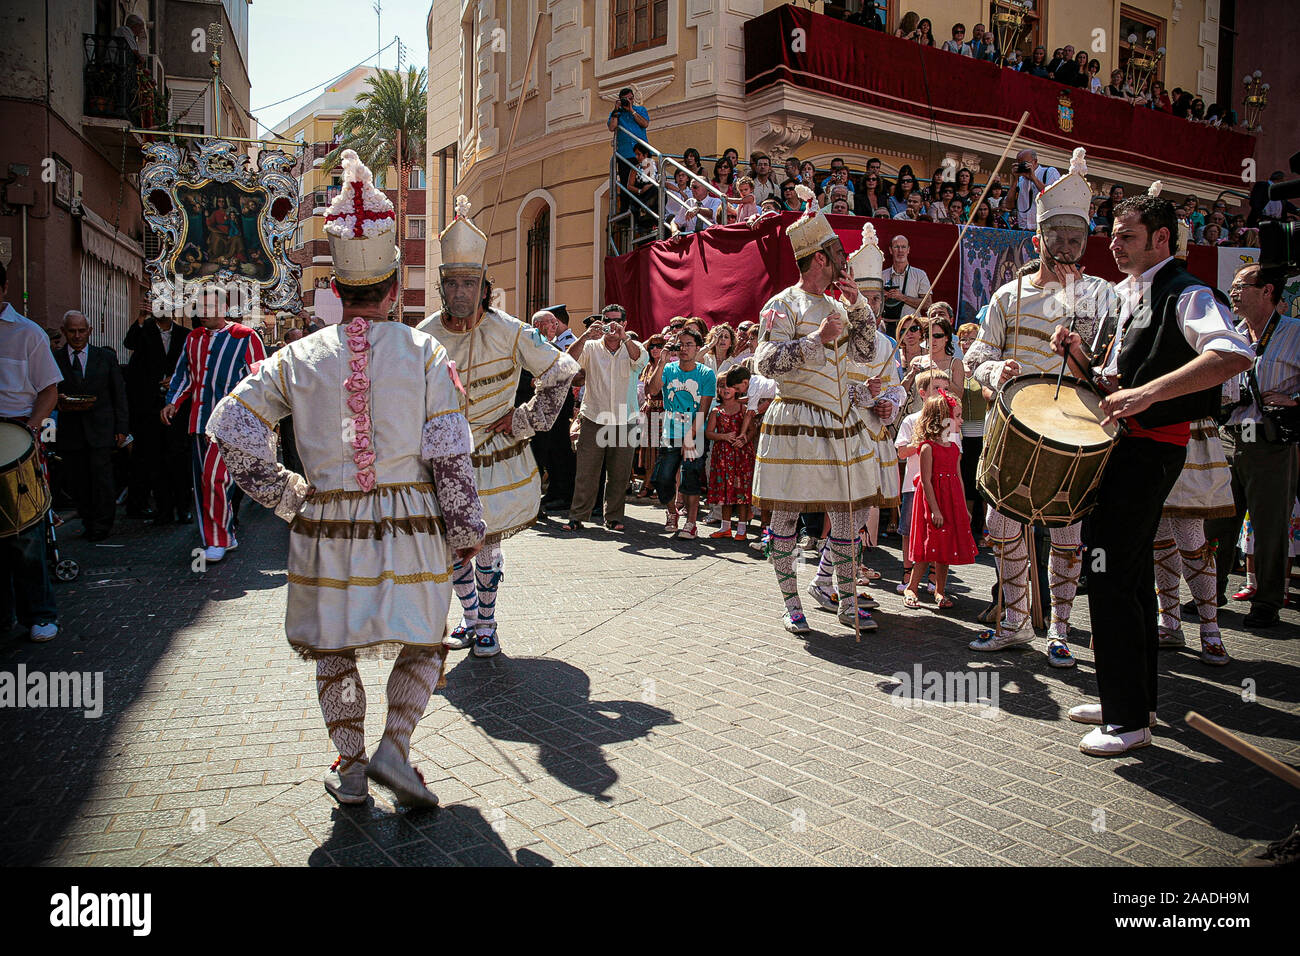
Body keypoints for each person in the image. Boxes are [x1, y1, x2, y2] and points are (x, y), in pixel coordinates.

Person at [207, 149, 486, 808]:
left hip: (326, 527)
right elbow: (449, 453)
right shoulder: (425, 352)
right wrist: (467, 529)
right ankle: (396, 749)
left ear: (334, 289)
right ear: (393, 286)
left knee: (335, 649)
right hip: (413, 528)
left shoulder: (295, 357)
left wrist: (288, 497)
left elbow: (228, 429)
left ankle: (353, 766)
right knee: (423, 641)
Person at [1051, 184, 1253, 755]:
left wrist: (1146, 395)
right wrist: (1081, 361)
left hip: (1151, 449)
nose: (1114, 245)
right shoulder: (1127, 293)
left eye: (1128, 236)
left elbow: (1233, 354)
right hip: (1124, 446)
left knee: (1111, 570)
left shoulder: (1187, 293)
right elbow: (1118, 382)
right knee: (1127, 574)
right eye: (1112, 235)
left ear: (1162, 238)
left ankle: (1129, 719)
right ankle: (1128, 699)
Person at [964, 148, 1116, 668]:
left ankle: (1060, 630)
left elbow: (1106, 372)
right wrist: (991, 371)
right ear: (1038, 240)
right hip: (1012, 427)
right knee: (1002, 526)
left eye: (1077, 240)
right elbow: (977, 351)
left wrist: (1080, 354)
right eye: (1058, 239)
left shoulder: (1099, 298)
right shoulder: (1008, 294)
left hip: (1073, 431)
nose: (1069, 249)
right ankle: (1011, 621)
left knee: (1067, 534)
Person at [417, 196, 579, 658]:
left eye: (471, 282)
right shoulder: (425, 333)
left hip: (496, 455)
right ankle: (470, 620)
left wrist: (526, 419)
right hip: (446, 463)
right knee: (452, 546)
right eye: (453, 283)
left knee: (485, 544)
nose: (462, 292)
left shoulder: (510, 330)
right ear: (442, 287)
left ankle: (485, 622)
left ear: (483, 286)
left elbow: (562, 370)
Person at [752, 186, 882, 634]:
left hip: (842, 423)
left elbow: (865, 353)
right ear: (820, 259)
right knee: (786, 517)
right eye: (837, 254)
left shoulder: (842, 306)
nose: (844, 262)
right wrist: (815, 341)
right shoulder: (781, 304)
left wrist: (859, 306)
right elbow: (763, 363)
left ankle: (846, 602)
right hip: (796, 421)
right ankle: (791, 604)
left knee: (849, 514)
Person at [1204, 264, 1300, 629]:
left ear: (1268, 291)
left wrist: (1294, 399)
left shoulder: (1294, 332)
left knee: (1270, 524)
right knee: (1217, 521)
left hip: (1271, 442)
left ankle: (1267, 602)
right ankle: (1210, 594)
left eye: (1242, 285)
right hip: (1229, 437)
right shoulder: (1232, 335)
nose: (1235, 291)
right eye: (1233, 286)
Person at [162, 286, 266, 563]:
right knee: (203, 483)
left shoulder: (245, 336)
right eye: (199, 308)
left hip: (231, 423)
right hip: (198, 421)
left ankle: (219, 539)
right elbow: (185, 374)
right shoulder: (193, 338)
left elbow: (261, 378)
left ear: (222, 309)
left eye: (208, 308)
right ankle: (221, 535)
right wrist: (174, 401)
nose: (202, 314)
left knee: (215, 478)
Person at [0, 262, 61, 642]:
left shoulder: (28, 334)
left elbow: (49, 390)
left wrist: (30, 430)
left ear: (4, 287)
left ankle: (39, 614)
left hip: (16, 435)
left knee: (25, 534)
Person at [846, 222, 905, 576]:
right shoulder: (840, 336)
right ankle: (838, 569)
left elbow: (895, 386)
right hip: (843, 432)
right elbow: (830, 386)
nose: (871, 306)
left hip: (873, 433)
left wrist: (889, 405)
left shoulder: (885, 343)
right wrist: (862, 396)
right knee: (845, 508)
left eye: (877, 300)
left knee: (864, 505)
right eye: (865, 300)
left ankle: (851, 565)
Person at [562, 306, 647, 532]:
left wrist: (624, 338)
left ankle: (614, 517)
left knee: (619, 473)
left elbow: (640, 360)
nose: (612, 325)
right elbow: (568, 360)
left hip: (624, 418)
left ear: (625, 323)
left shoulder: (633, 346)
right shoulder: (590, 346)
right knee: (586, 471)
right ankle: (577, 516)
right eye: (607, 320)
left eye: (616, 321)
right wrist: (585, 335)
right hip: (593, 416)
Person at [53, 310, 129, 541]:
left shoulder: (104, 357)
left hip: (101, 429)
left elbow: (119, 393)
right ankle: (87, 519)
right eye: (72, 331)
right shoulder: (56, 359)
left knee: (102, 480)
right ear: (64, 332)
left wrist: (122, 428)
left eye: (81, 331)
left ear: (90, 331)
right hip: (71, 430)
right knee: (78, 480)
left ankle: (102, 524)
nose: (77, 336)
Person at [902, 391, 978, 608]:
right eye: (958, 416)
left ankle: (940, 590)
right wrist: (934, 510)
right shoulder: (928, 447)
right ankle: (912, 587)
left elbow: (959, 479)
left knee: (945, 548)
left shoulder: (954, 448)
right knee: (929, 547)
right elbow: (926, 481)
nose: (961, 421)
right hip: (933, 502)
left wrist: (963, 507)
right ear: (943, 419)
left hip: (951, 501)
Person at [124, 305, 191, 523]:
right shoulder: (145, 331)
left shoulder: (184, 335)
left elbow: (193, 367)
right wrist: (141, 319)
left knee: (179, 459)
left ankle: (183, 508)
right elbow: (129, 343)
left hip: (177, 408)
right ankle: (163, 509)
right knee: (155, 460)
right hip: (150, 409)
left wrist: (176, 379)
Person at [647, 328, 715, 539]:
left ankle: (691, 523)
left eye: (689, 344)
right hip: (670, 431)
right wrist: (661, 362)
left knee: (691, 478)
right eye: (681, 344)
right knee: (663, 478)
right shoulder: (668, 369)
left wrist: (690, 437)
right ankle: (671, 513)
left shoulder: (706, 373)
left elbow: (703, 409)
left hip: (695, 432)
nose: (684, 349)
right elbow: (652, 389)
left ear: (697, 347)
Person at [895, 369, 951, 591]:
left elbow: (955, 453)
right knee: (910, 530)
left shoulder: (949, 422)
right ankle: (908, 572)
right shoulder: (911, 420)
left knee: (938, 531)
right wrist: (922, 441)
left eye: (946, 389)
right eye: (937, 389)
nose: (943, 394)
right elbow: (901, 453)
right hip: (914, 485)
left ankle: (934, 576)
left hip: (941, 486)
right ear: (923, 393)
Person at [704, 370, 755, 539]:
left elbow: (753, 429)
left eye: (728, 386)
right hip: (723, 457)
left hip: (741, 456)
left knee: (741, 492)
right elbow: (709, 433)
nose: (725, 389)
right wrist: (723, 436)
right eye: (721, 385)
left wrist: (744, 440)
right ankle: (725, 527)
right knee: (725, 493)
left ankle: (741, 530)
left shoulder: (744, 408)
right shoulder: (716, 411)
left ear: (736, 388)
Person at [880, 234, 931, 330]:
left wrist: (902, 298)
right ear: (891, 250)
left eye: (903, 247)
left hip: (911, 329)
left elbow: (927, 304)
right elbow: (873, 303)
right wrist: (884, 298)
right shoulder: (881, 276)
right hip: (886, 328)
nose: (900, 251)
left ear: (908, 250)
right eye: (896, 247)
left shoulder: (920, 275)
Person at [1005, 149, 1061, 232]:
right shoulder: (1020, 180)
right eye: (1019, 164)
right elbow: (1008, 205)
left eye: (1025, 163)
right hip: (1023, 229)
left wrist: (1033, 178)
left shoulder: (1049, 172)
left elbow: (1052, 197)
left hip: (1044, 229)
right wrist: (1015, 179)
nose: (1022, 166)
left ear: (1035, 161)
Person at [607, 86, 650, 186]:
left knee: (648, 181)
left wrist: (631, 110)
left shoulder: (640, 109)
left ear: (633, 98)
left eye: (630, 99)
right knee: (626, 184)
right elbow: (612, 127)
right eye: (625, 99)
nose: (628, 101)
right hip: (625, 154)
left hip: (643, 153)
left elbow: (645, 123)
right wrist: (616, 109)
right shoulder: (616, 113)